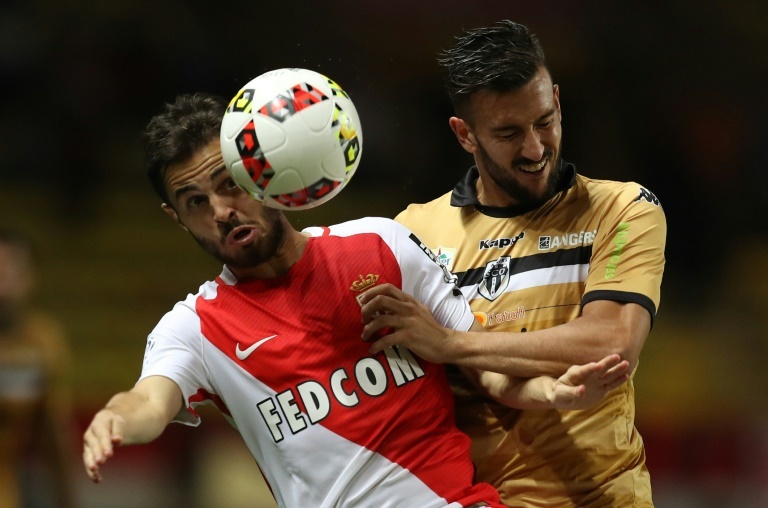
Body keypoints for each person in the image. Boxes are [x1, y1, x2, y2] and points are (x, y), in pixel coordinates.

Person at [81, 93, 630, 507]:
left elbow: (486, 370)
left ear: (260, 171)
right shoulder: (195, 329)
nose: (221, 211)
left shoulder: (382, 245)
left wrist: (551, 392)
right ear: (176, 218)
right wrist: (114, 417)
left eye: (229, 184)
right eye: (195, 202)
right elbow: (149, 401)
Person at [357, 19, 667, 507]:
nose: (535, 148)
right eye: (508, 133)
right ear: (465, 134)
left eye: (544, 121)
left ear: (557, 101)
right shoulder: (413, 232)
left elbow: (612, 342)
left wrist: (451, 343)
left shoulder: (623, 209)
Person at [0, 229, 75, 508]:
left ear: (30, 277)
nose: (4, 282)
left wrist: (66, 499)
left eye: (12, 270)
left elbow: (55, 431)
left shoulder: (43, 340)